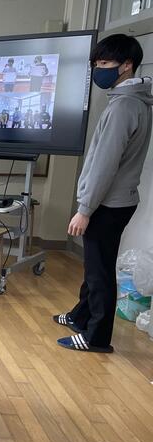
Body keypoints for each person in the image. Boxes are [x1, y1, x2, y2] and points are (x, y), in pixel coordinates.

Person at [56, 34, 153, 353]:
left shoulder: (124, 106)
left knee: (99, 271)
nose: (99, 69)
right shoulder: (133, 100)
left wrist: (85, 209)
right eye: (96, 63)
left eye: (106, 63)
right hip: (116, 199)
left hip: (108, 202)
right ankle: (80, 315)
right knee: (95, 265)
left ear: (127, 66)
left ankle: (96, 337)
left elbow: (104, 164)